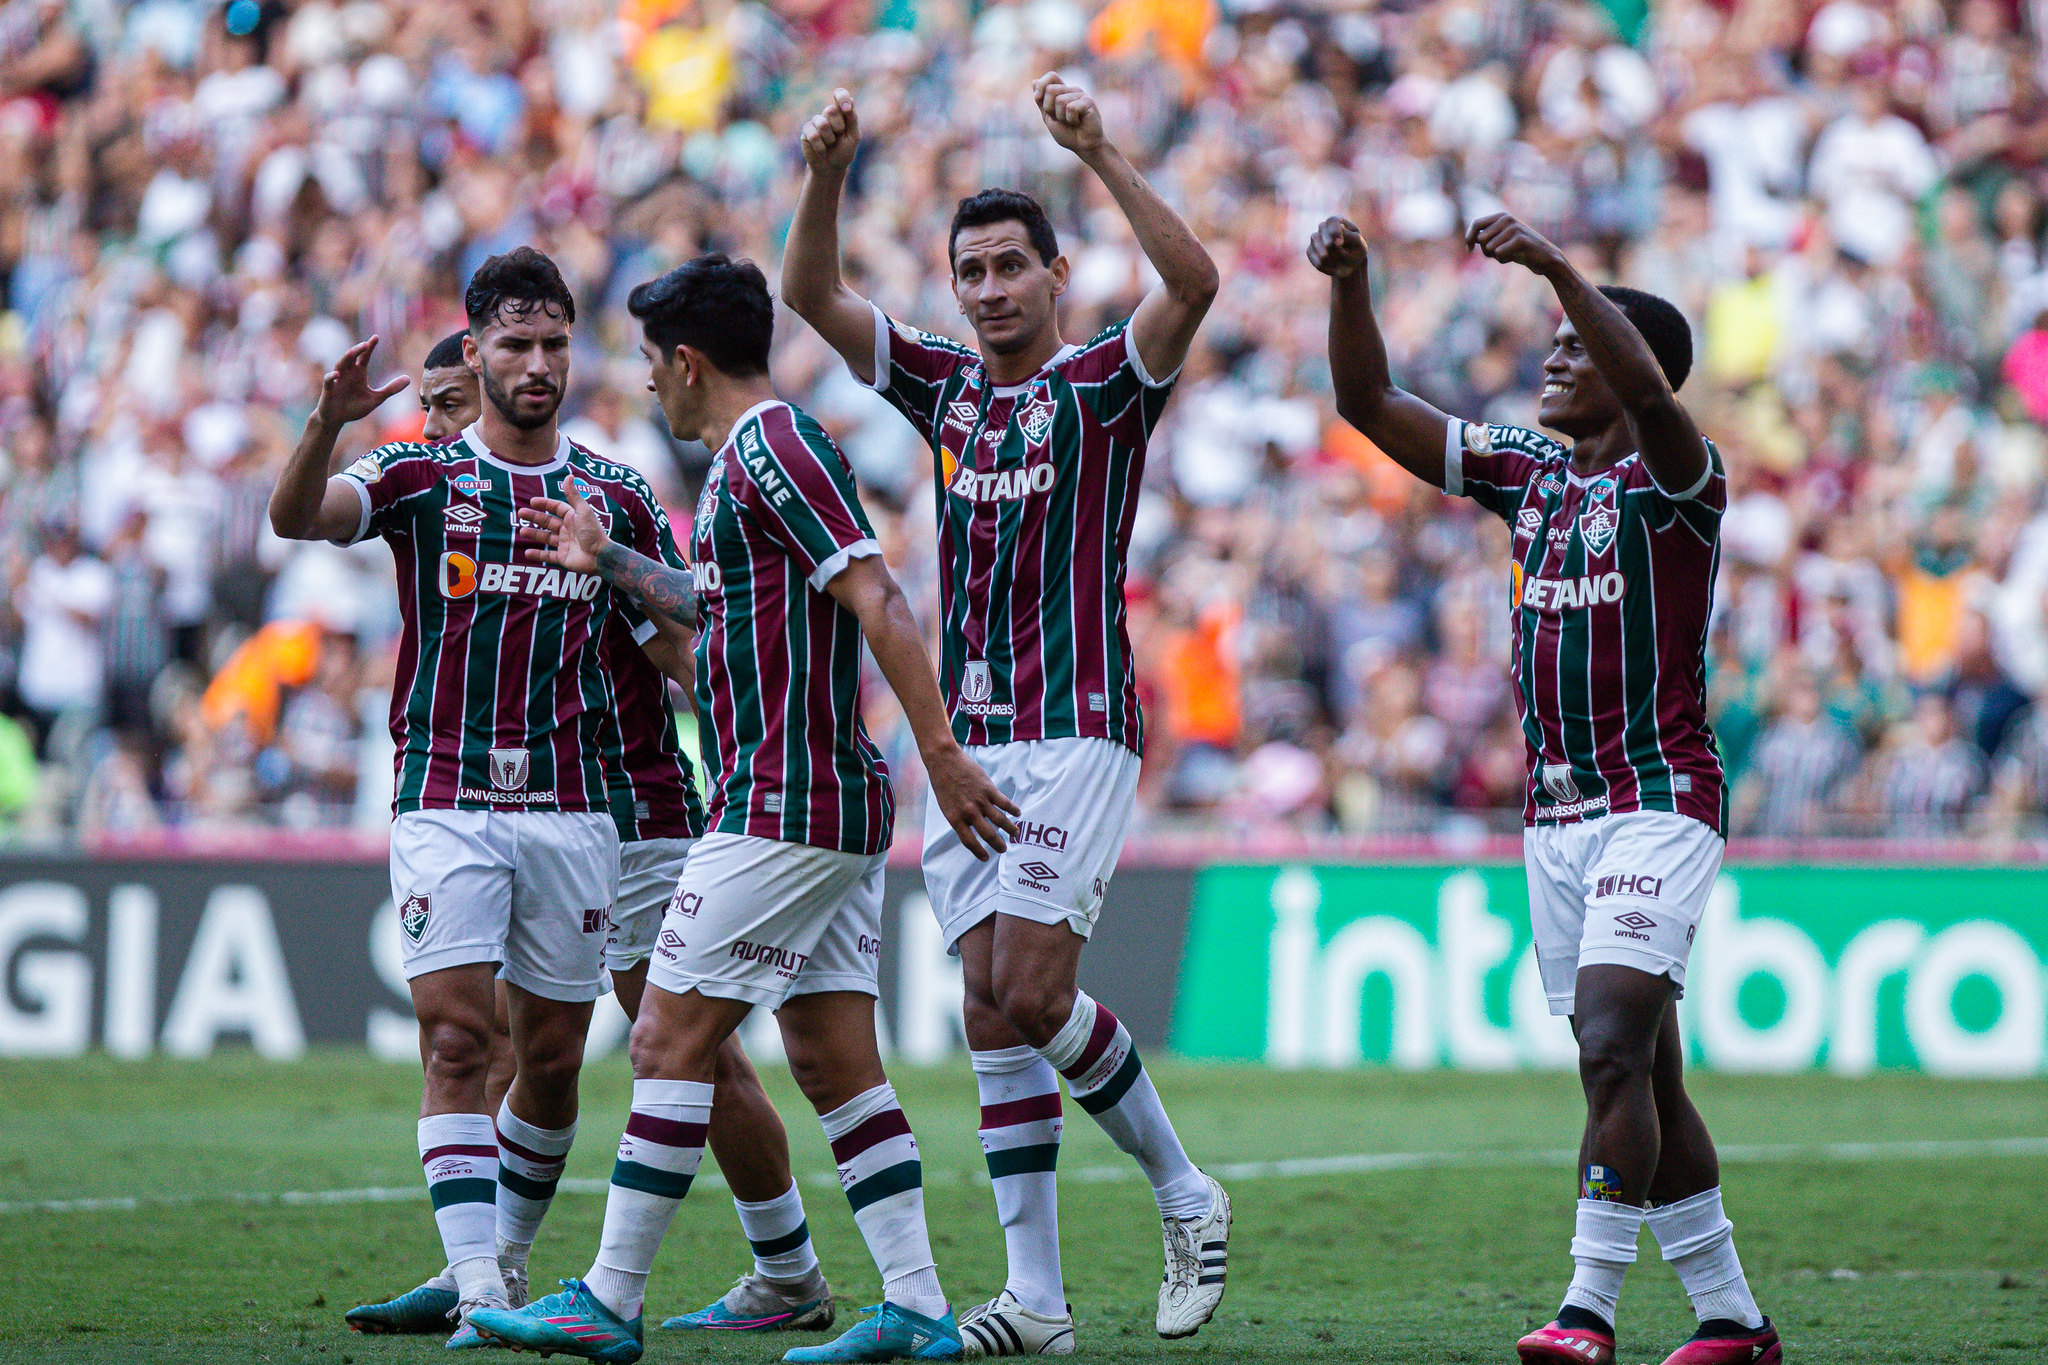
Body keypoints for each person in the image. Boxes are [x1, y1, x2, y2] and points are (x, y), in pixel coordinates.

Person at [467, 254, 1019, 1364]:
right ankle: (915, 1303)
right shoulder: (744, 467)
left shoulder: (774, 447)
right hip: (809, 801)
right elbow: (714, 612)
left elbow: (877, 596)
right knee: (828, 1061)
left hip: (785, 800)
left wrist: (943, 753)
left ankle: (608, 1299)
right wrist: (610, 555)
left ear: (684, 362)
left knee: (667, 1036)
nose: (649, 388)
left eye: (648, 366)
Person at [779, 75, 1232, 1355]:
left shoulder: (1101, 381)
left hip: (1079, 721)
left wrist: (1096, 146)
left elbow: (1192, 282)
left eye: (1008, 268)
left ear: (1053, 272)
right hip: (970, 739)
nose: (985, 290)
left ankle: (1183, 1191)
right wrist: (826, 171)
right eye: (968, 271)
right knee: (986, 1005)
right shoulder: (942, 389)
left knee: (1031, 989)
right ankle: (1034, 1299)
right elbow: (811, 298)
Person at [1310, 210, 1780, 1365]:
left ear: (1632, 368)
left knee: (1610, 1046)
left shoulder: (1678, 480)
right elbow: (1369, 407)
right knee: (1646, 1075)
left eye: (1576, 346)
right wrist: (1351, 285)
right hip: (1553, 821)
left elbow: (1660, 409)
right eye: (1552, 343)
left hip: (1655, 797)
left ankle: (1585, 1310)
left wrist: (1563, 269)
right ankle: (1732, 1322)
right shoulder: (1527, 477)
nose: (1551, 359)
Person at [342, 326, 840, 1339]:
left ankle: (784, 1267)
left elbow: (691, 645)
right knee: (507, 1053)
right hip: (532, 808)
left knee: (685, 1050)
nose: (440, 427)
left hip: (632, 808)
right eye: (432, 407)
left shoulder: (582, 508)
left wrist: (766, 733)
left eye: (450, 404)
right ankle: (485, 1272)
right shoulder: (444, 507)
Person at [268, 245, 703, 1347]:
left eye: (554, 342)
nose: (538, 363)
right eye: (515, 343)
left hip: (573, 807)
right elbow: (295, 517)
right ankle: (479, 1286)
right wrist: (326, 422)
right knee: (459, 1044)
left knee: (552, 1060)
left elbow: (686, 634)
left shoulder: (612, 495)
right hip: (447, 793)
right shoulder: (421, 477)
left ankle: (494, 1266)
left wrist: (613, 570)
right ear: (475, 351)